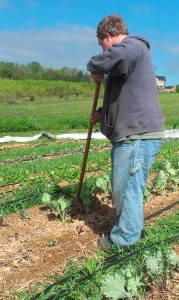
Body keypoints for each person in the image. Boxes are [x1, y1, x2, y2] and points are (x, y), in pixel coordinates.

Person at [87, 14, 165, 249]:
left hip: (138, 136)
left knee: (127, 188)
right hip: (134, 135)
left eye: (102, 45)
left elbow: (110, 57)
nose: (104, 50)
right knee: (124, 188)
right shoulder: (129, 58)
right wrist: (103, 112)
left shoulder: (132, 46)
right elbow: (126, 97)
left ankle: (124, 241)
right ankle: (132, 230)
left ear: (107, 37)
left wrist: (94, 67)